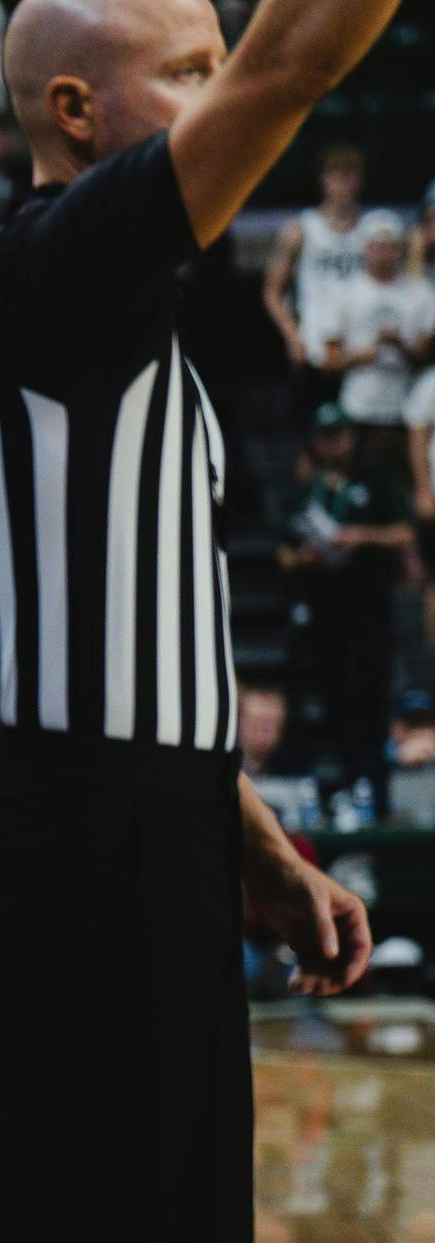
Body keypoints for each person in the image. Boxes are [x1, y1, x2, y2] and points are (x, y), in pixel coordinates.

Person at [0, 0, 384, 1243]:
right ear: (74, 112)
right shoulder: (46, 271)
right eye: (192, 71)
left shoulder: (127, 319)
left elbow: (133, 635)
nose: (224, 88)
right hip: (82, 836)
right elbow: (299, 59)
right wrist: (267, 67)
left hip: (155, 820)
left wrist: (242, 834)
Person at [277, 403, 410, 812]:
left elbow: (404, 532)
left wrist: (358, 537)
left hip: (368, 608)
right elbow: (282, 552)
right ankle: (347, 789)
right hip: (323, 611)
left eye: (340, 435)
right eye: (326, 436)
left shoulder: (376, 480)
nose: (334, 444)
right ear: (315, 442)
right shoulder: (306, 489)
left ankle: (375, 792)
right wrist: (305, 557)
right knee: (332, 699)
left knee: (368, 698)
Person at [317, 211, 434, 457]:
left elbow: (427, 354)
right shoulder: (344, 293)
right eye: (377, 246)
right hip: (357, 410)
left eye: (390, 246)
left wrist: (400, 345)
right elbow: (327, 360)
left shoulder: (421, 293)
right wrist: (359, 355)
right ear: (365, 248)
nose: (383, 253)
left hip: (406, 412)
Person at [263, 144, 371, 373]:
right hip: (314, 342)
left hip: (359, 344)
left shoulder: (373, 231)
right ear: (323, 179)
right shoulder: (301, 229)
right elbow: (272, 291)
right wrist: (291, 336)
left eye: (350, 175)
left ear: (360, 180)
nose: (343, 183)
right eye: (336, 175)